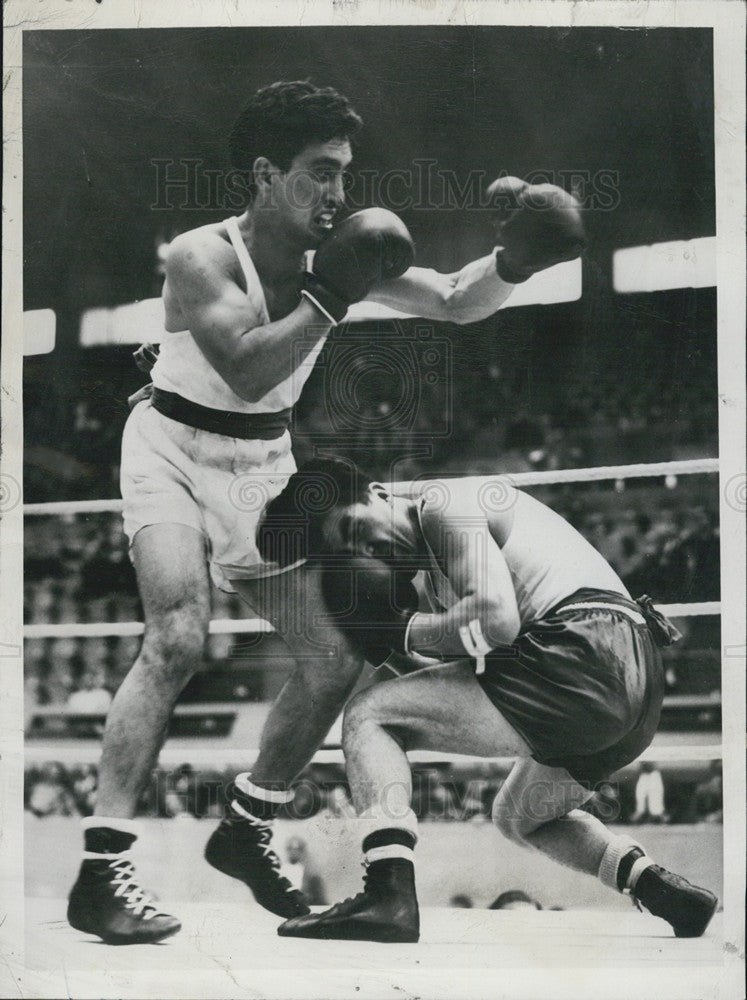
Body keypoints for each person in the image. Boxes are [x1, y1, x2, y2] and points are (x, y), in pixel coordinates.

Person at [67, 79, 585, 945]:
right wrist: (333, 293)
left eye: (345, 173)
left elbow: (456, 301)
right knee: (178, 635)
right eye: (319, 172)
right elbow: (244, 367)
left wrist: (515, 262)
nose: (339, 194)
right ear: (267, 174)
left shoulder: (324, 263)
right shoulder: (202, 255)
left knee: (333, 657)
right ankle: (100, 869)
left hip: (262, 461)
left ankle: (245, 822)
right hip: (168, 448)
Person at [254, 458, 718, 942]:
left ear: (380, 493)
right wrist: (389, 647)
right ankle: (659, 887)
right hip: (633, 689)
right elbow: (450, 691)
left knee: (366, 716)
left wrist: (403, 630)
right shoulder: (439, 573)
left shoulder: (445, 505)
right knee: (520, 817)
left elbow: (497, 621)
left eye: (356, 528)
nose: (367, 551)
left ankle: (388, 895)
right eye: (349, 553)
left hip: (584, 651)